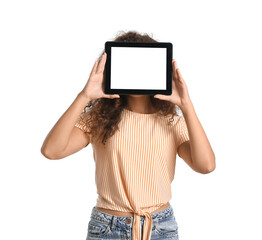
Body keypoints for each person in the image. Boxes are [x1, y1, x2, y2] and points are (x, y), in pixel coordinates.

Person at [41, 31, 216, 240]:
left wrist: (186, 106)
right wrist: (85, 95)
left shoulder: (172, 122)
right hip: (108, 228)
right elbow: (51, 150)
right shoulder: (99, 119)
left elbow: (206, 166)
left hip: (160, 227)